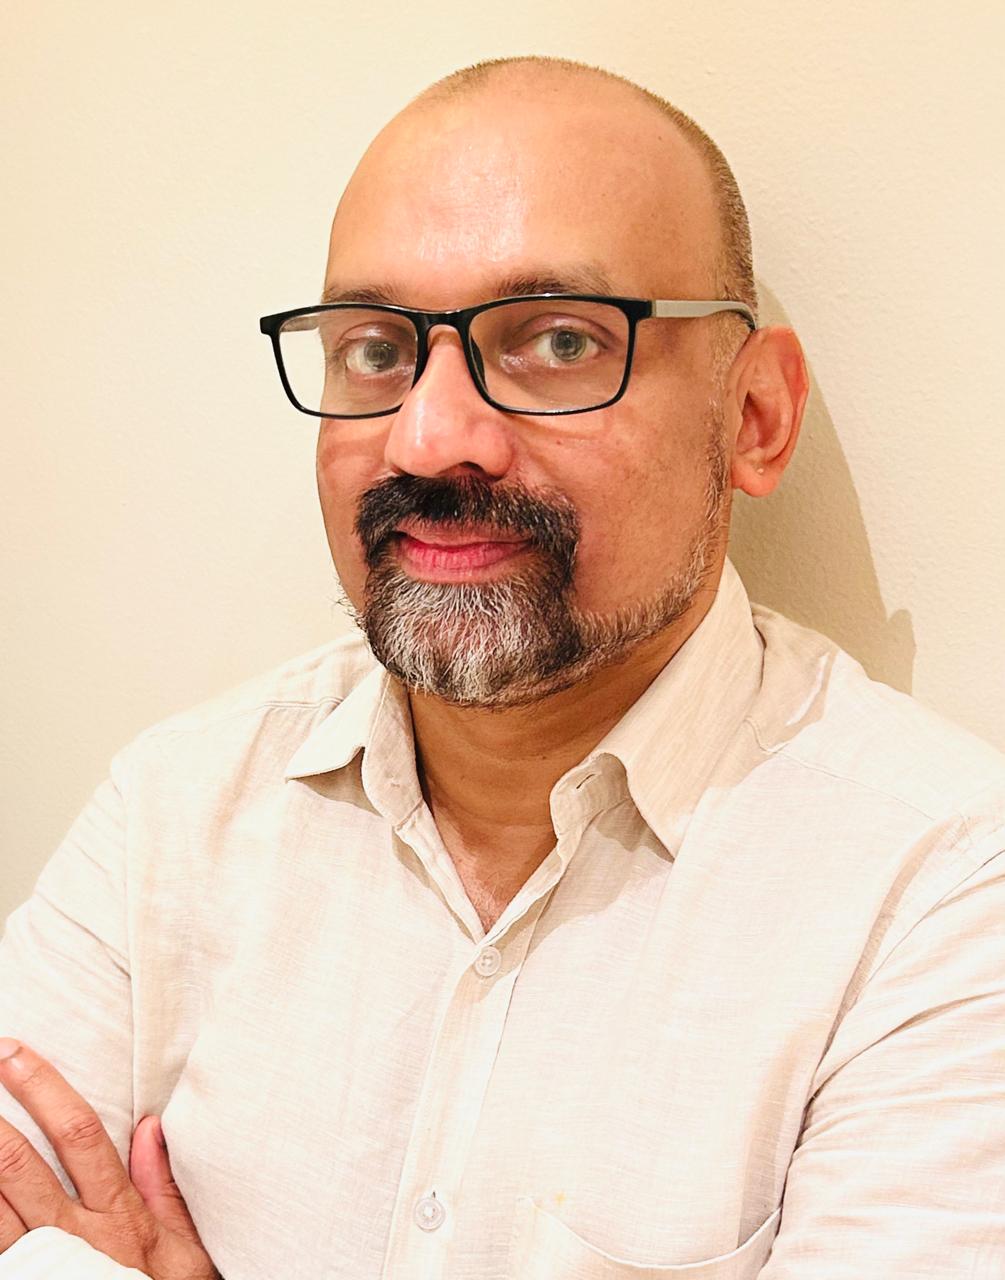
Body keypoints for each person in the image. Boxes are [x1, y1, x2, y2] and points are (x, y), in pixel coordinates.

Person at [1, 54, 1003, 1280]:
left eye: (559, 340)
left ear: (753, 416)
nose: (431, 438)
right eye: (376, 350)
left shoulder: (941, 895)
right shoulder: (173, 808)